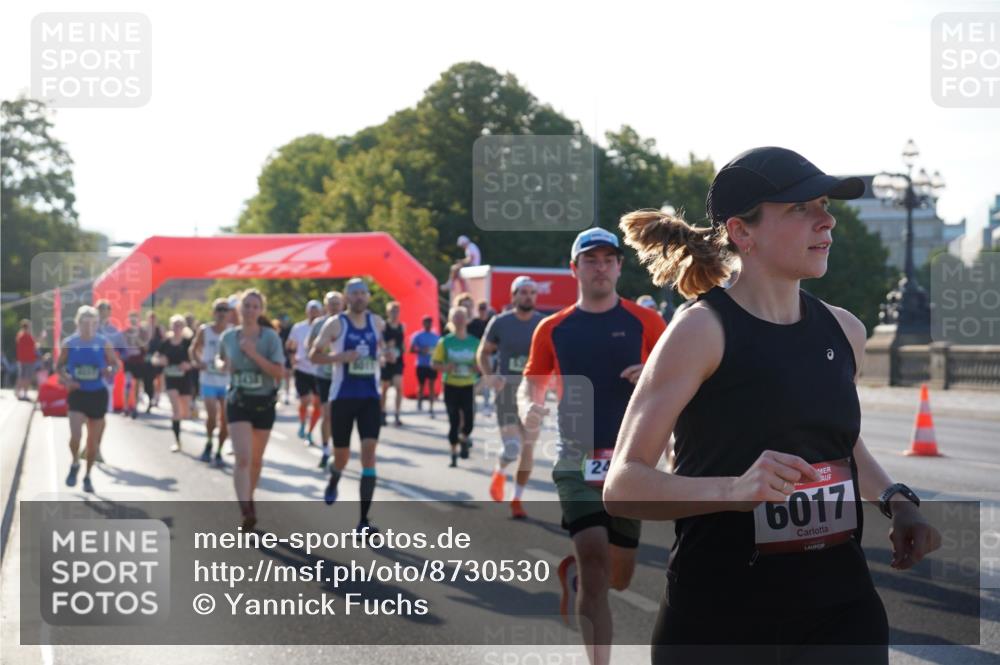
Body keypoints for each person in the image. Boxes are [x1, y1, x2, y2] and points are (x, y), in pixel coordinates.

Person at [604, 146, 942, 664]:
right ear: (743, 232)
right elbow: (623, 486)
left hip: (841, 611)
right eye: (801, 208)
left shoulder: (845, 330)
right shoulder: (701, 331)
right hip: (720, 618)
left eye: (825, 205)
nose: (827, 221)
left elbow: (838, 441)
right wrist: (735, 490)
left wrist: (895, 500)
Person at [519, 227, 665, 665]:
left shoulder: (646, 322)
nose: (600, 268)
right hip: (576, 459)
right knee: (596, 562)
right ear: (574, 269)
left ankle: (578, 579)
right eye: (590, 260)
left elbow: (680, 381)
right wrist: (528, 407)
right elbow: (531, 383)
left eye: (608, 260)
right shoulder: (553, 328)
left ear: (620, 266)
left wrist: (651, 377)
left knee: (618, 577)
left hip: (631, 460)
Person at [310, 278, 385, 532]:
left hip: (370, 398)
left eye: (363, 293)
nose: (359, 297)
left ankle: (363, 521)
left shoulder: (377, 322)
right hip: (342, 397)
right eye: (354, 293)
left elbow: (383, 349)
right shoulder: (336, 323)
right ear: (346, 297)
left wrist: (386, 355)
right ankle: (335, 477)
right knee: (341, 457)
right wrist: (340, 357)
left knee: (369, 455)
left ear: (368, 297)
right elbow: (314, 355)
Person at [218, 289, 286, 530]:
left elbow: (279, 372)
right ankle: (246, 508)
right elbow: (221, 359)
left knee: (256, 461)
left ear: (261, 310)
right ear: (239, 309)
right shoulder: (228, 337)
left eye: (255, 306)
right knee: (243, 458)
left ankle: (249, 497)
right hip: (238, 401)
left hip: (264, 403)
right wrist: (224, 364)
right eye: (246, 305)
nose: (250, 310)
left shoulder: (270, 338)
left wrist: (253, 353)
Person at [478, 276, 544, 519]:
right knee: (512, 447)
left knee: (528, 449)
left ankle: (517, 498)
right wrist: (489, 377)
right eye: (523, 292)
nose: (528, 296)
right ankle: (500, 469)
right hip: (507, 391)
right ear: (513, 296)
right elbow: (483, 353)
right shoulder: (500, 322)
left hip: (534, 393)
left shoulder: (542, 324)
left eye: (532, 292)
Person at [57, 306, 120, 493]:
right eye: (85, 323)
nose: (89, 327)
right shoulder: (69, 343)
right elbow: (59, 366)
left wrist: (110, 371)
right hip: (77, 393)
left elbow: (115, 364)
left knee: (92, 443)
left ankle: (88, 476)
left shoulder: (103, 342)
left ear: (97, 324)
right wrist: (67, 380)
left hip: (97, 394)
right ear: (78, 323)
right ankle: (75, 462)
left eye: (93, 323)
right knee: (75, 436)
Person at [432, 306, 480, 467]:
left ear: (467, 320)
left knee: (469, 422)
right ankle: (453, 454)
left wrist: (477, 368)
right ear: (451, 320)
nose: (459, 320)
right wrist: (446, 367)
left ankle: (464, 438)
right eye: (456, 317)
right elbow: (435, 363)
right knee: (453, 422)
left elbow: (481, 364)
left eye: (462, 317)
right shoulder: (445, 342)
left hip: (468, 386)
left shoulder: (474, 342)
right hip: (450, 385)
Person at [191, 299, 232, 466]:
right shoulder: (205, 330)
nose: (222, 313)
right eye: (219, 309)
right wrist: (198, 362)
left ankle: (219, 451)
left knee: (226, 419)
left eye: (225, 310)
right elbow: (193, 349)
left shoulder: (233, 332)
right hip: (208, 379)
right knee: (212, 416)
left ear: (229, 313)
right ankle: (208, 443)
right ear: (214, 312)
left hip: (227, 381)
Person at [308, 291, 344, 470]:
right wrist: (323, 349)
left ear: (342, 304)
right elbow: (309, 347)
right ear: (326, 305)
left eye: (337, 303)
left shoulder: (348, 322)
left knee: (342, 416)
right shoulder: (319, 324)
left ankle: (339, 449)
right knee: (327, 414)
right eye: (331, 303)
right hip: (324, 375)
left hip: (344, 375)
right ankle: (325, 450)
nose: (334, 306)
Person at [153, 315, 194, 452]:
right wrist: (160, 361)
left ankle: (179, 422)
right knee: (176, 411)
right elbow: (155, 358)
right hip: (170, 379)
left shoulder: (188, 343)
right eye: (175, 325)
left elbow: (196, 359)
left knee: (185, 413)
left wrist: (188, 365)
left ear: (183, 327)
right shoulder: (166, 343)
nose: (177, 328)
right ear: (171, 327)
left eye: (179, 325)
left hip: (185, 379)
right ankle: (177, 441)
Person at [288, 300, 324, 446]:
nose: (313, 313)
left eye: (316, 310)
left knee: (318, 404)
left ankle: (310, 431)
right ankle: (303, 423)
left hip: (318, 370)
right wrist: (293, 359)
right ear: (307, 311)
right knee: (305, 400)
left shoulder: (325, 326)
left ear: (320, 311)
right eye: (311, 310)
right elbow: (290, 344)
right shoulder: (299, 327)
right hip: (302, 368)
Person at [380, 301, 405, 427]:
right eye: (392, 311)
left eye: (396, 311)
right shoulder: (384, 326)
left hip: (397, 361)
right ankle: (382, 413)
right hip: (386, 360)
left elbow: (403, 345)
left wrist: (399, 352)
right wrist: (386, 352)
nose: (395, 314)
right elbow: (380, 343)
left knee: (399, 387)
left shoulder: (402, 327)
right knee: (384, 388)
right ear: (388, 312)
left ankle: (397, 414)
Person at [409, 315, 440, 417]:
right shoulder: (418, 335)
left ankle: (431, 408)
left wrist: (434, 352)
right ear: (423, 323)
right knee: (421, 385)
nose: (428, 324)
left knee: (431, 385)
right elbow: (411, 349)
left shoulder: (436, 337)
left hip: (432, 365)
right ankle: (419, 402)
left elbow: (439, 351)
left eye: (430, 322)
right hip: (421, 364)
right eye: (426, 322)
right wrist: (421, 350)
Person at [121, 312, 149, 418]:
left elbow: (146, 347)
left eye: (135, 319)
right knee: (127, 383)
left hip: (139, 362)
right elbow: (122, 347)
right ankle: (126, 407)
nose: (133, 321)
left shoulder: (142, 332)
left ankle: (135, 406)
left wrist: (137, 339)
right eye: (131, 319)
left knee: (137, 384)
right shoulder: (125, 332)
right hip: (129, 362)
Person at [142, 311, 165, 412]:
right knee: (148, 380)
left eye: (153, 318)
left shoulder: (159, 329)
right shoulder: (144, 329)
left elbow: (164, 342)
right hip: (147, 359)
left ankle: (157, 397)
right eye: (150, 318)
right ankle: (150, 398)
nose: (152, 320)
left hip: (158, 357)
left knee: (158, 378)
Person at [15, 319, 38, 400]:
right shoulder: (24, 336)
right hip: (27, 360)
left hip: (24, 359)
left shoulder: (21, 335)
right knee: (26, 377)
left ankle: (19, 392)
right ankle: (22, 393)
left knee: (22, 377)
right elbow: (34, 346)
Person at [277, 313, 293, 405]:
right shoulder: (277, 329)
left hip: (287, 355)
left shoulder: (290, 329)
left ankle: (287, 395)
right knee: (278, 376)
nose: (284, 321)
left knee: (287, 375)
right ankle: (278, 393)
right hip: (278, 355)